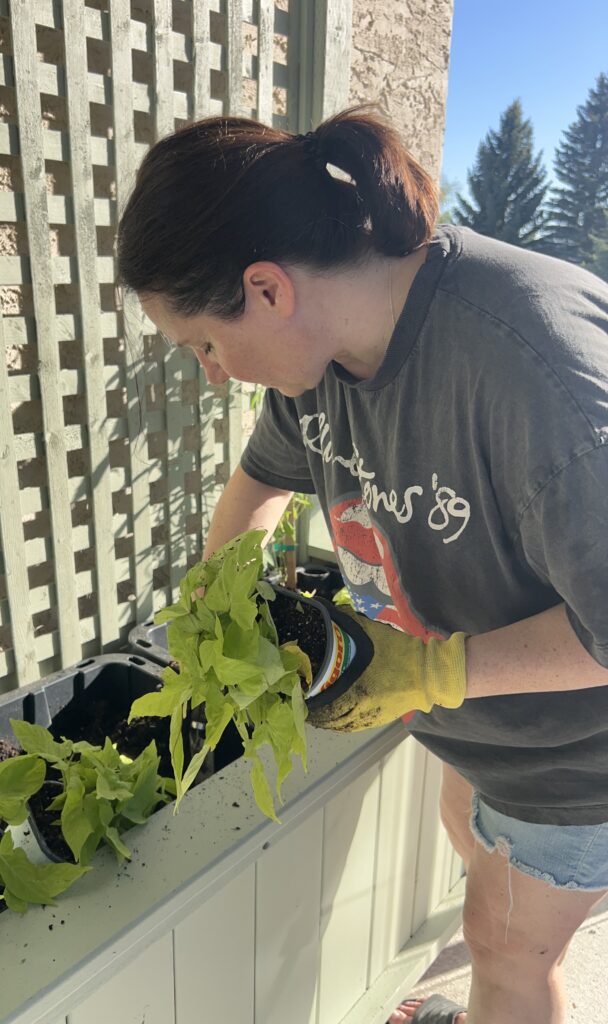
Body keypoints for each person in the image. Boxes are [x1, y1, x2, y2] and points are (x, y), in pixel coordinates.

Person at [116, 106, 608, 1024]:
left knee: (507, 952)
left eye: (204, 346)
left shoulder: (530, 365)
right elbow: (260, 485)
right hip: (485, 721)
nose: (214, 374)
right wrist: (212, 606)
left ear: (267, 289)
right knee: (471, 844)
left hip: (578, 761)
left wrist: (433, 669)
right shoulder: (328, 361)